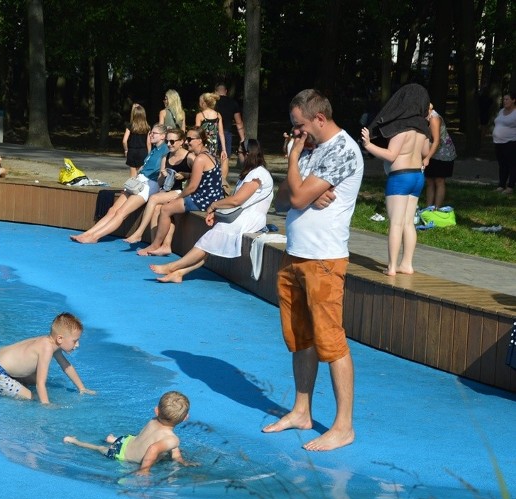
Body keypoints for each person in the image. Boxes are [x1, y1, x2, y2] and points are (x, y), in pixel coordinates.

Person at [262, 89, 364, 452]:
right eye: (294, 129)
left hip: (323, 259)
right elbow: (283, 198)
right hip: (295, 254)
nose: (296, 134)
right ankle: (302, 411)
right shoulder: (312, 150)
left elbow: (299, 197)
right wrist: (299, 187)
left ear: (319, 118)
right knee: (300, 338)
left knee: (331, 341)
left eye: (299, 126)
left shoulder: (342, 150)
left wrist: (295, 169)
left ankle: (343, 426)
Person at [150, 138, 274, 283]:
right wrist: (215, 213)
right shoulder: (251, 173)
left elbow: (237, 200)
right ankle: (180, 273)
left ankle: (173, 267)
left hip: (250, 219)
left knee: (210, 239)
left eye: (238, 152)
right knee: (210, 243)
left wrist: (214, 205)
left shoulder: (258, 174)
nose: (237, 155)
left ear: (247, 154)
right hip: (242, 216)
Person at [361, 83, 431, 276]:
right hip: (418, 176)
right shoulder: (422, 128)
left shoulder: (401, 128)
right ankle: (407, 264)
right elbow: (426, 151)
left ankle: (391, 266)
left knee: (396, 223)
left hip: (400, 177)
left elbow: (391, 155)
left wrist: (368, 145)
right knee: (409, 222)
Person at [70, 124, 169, 244]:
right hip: (139, 182)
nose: (151, 135)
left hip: (149, 185)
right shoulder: (154, 149)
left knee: (121, 213)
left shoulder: (165, 149)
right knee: (113, 210)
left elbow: (165, 169)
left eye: (154, 133)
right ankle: (88, 233)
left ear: (163, 136)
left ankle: (95, 236)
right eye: (151, 133)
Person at [137, 127, 225, 256]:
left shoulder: (199, 159)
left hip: (204, 199)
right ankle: (165, 246)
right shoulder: (208, 154)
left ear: (200, 140)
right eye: (187, 139)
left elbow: (192, 187)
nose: (187, 142)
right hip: (211, 197)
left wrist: (177, 199)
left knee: (166, 209)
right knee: (167, 207)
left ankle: (156, 245)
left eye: (190, 139)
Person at [63, 391, 197, 475]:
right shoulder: (172, 439)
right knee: (99, 448)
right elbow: (153, 448)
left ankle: (112, 439)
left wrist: (180, 460)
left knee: (139, 441)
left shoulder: (154, 420)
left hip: (125, 440)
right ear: (185, 418)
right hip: (121, 455)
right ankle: (73, 441)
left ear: (156, 411)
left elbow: (170, 446)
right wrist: (144, 470)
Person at [0, 312, 95, 404]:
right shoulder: (46, 349)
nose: (77, 345)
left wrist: (82, 388)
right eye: (75, 341)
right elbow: (40, 384)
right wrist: (46, 405)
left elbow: (66, 366)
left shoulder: (50, 342)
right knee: (33, 397)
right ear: (60, 338)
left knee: (33, 381)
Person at [123, 128, 192, 244]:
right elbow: (160, 182)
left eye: (172, 142)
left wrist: (186, 174)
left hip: (183, 191)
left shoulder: (190, 157)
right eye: (168, 141)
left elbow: (200, 176)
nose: (169, 144)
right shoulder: (166, 156)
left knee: (154, 199)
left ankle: (139, 233)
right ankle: (155, 244)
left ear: (181, 142)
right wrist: (163, 174)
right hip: (168, 190)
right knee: (156, 209)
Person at [423, 103, 457, 209]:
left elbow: (436, 141)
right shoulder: (423, 117)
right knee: (429, 180)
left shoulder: (434, 118)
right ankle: (428, 208)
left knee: (439, 180)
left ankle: (437, 209)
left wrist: (427, 158)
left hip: (443, 153)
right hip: (431, 151)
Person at [194, 92, 228, 187]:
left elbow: (196, 133)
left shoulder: (200, 115)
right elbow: (221, 133)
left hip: (203, 144)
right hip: (214, 144)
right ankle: (212, 183)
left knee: (201, 163)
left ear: (204, 103)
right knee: (212, 163)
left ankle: (201, 183)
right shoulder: (218, 115)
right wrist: (224, 149)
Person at [215, 82, 246, 165]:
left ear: (216, 92)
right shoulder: (233, 103)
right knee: (225, 157)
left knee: (211, 156)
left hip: (212, 132)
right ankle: (224, 177)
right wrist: (242, 138)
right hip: (226, 132)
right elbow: (239, 122)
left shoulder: (212, 103)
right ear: (226, 91)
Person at [492, 92, 516, 195]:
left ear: (513, 100)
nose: (504, 101)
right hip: (498, 142)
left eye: (507, 99)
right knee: (502, 165)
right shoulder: (501, 111)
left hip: (511, 142)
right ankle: (501, 185)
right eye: (504, 99)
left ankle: (510, 186)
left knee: (512, 165)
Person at [122, 103, 151, 178]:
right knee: (141, 175)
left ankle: (131, 188)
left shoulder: (130, 126)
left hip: (132, 151)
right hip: (143, 151)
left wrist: (126, 150)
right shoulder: (147, 127)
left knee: (132, 176)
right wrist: (149, 154)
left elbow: (124, 141)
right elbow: (148, 143)